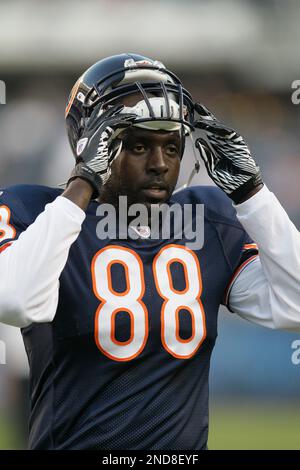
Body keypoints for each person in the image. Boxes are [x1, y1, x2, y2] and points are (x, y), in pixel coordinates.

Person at [0, 53, 299, 450]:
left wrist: (253, 196)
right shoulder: (36, 212)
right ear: (91, 147)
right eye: (139, 146)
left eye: (172, 147)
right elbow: (14, 301)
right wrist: (81, 184)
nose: (160, 164)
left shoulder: (206, 219)